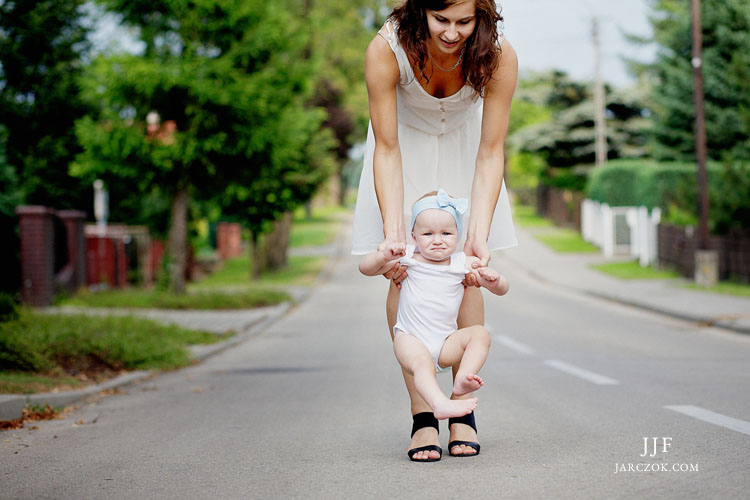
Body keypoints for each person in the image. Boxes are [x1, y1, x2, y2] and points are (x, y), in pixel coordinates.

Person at [352, 0, 518, 461]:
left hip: (469, 155)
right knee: (405, 274)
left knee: (465, 270)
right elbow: (385, 147)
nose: (452, 33)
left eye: (464, 22)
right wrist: (393, 236)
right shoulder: (386, 48)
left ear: (481, 17)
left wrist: (479, 232)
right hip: (401, 153)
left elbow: (491, 150)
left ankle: (462, 411)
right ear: (420, 10)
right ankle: (423, 414)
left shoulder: (499, 54)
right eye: (441, 20)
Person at [359, 190, 509, 461]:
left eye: (446, 234)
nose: (437, 241)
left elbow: (502, 289)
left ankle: (463, 379)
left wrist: (494, 279)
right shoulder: (406, 257)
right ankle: (436, 406)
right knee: (420, 364)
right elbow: (365, 268)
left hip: (444, 343)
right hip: (411, 338)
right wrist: (382, 257)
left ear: (458, 236)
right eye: (428, 234)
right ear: (414, 237)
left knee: (480, 335)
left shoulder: (462, 263)